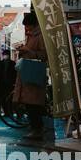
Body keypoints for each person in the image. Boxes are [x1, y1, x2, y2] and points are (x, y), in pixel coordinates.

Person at [13, 12, 48, 140]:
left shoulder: (40, 36)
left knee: (33, 104)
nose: (27, 28)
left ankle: (37, 129)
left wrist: (28, 51)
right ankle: (35, 128)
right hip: (28, 72)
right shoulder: (31, 36)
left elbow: (44, 55)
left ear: (34, 25)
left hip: (34, 73)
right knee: (29, 103)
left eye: (28, 26)